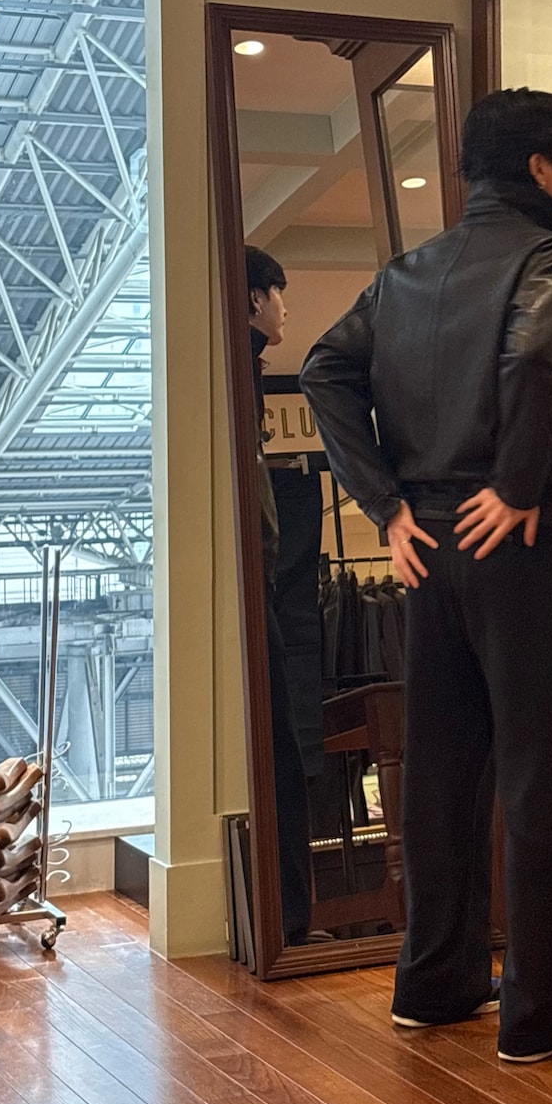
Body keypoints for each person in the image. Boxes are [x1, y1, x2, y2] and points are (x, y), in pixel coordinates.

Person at [300, 88, 552, 1062]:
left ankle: (435, 986)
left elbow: (323, 368)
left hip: (424, 540)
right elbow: (535, 358)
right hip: (514, 538)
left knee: (440, 767)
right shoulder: (551, 255)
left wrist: (385, 503)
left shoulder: (405, 273)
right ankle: (542, 1016)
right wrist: (517, 482)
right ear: (541, 164)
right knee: (542, 773)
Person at [246, 245, 315, 948]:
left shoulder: (244, 372)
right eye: (278, 292)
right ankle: (288, 921)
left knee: (280, 749)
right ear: (253, 300)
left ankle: (287, 918)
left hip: (257, 581)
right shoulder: (239, 374)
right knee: (280, 753)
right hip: (254, 584)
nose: (284, 307)